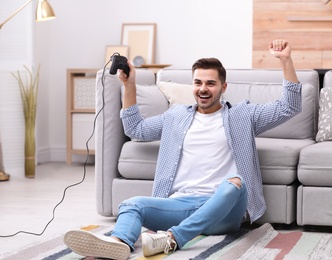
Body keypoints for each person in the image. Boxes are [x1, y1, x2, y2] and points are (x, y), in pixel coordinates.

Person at [64, 39, 301, 260]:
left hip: (223, 210)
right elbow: (136, 129)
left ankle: (173, 239)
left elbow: (289, 107)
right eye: (198, 82)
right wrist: (129, 85)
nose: (203, 89)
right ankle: (119, 243)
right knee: (130, 204)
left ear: (223, 86)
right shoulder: (176, 116)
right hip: (179, 204)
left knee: (235, 184)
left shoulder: (242, 115)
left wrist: (285, 61)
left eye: (210, 83)